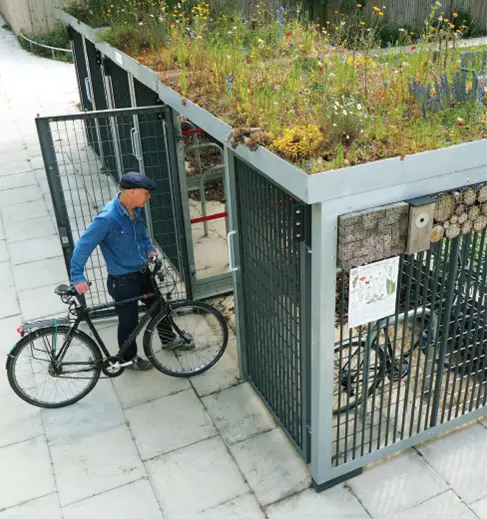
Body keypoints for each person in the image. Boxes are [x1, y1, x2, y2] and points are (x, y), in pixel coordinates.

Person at [70, 171, 179, 371]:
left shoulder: (134, 210)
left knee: (158, 306)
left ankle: (169, 339)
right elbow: (83, 246)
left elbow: (142, 235)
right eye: (146, 193)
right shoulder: (107, 219)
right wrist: (77, 276)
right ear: (131, 191)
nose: (149, 197)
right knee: (128, 321)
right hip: (122, 281)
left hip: (142, 273)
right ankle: (129, 360)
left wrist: (149, 250)